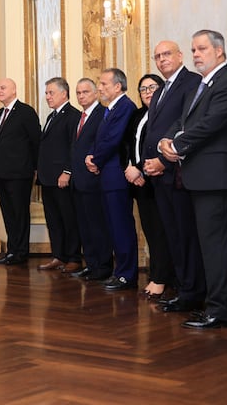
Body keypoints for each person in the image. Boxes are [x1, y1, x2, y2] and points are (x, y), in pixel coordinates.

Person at [160, 29, 227, 328]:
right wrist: (165, 140)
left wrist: (177, 146)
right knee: (209, 247)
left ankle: (222, 310)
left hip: (220, 181)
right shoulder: (201, 85)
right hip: (202, 179)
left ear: (219, 51)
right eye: (193, 50)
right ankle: (215, 304)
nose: (196, 55)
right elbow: (183, 121)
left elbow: (209, 125)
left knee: (218, 247)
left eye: (201, 49)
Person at [141, 41, 205, 312]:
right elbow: (154, 131)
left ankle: (192, 292)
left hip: (178, 173)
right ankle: (181, 287)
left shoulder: (192, 83)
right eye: (157, 56)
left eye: (167, 54)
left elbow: (187, 126)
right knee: (172, 236)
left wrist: (162, 162)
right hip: (159, 177)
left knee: (185, 236)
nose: (162, 59)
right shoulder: (160, 91)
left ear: (180, 56)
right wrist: (149, 164)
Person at [85, 68, 138, 291]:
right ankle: (120, 272)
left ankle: (126, 275)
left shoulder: (125, 107)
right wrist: (91, 155)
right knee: (113, 227)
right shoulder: (111, 109)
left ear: (118, 86)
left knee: (121, 226)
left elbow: (114, 139)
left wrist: (96, 160)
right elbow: (101, 138)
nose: (100, 87)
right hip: (107, 176)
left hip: (116, 176)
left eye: (104, 84)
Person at [122, 74, 173, 299]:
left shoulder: (165, 114)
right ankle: (156, 274)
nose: (147, 92)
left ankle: (161, 278)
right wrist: (129, 168)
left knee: (161, 232)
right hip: (138, 182)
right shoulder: (137, 115)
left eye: (152, 87)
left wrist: (141, 170)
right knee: (150, 231)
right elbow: (127, 144)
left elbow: (157, 149)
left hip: (157, 180)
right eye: (143, 89)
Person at [0, 78, 40, 265]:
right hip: (1, 174)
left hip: (20, 174)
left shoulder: (26, 112)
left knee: (20, 215)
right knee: (9, 215)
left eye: (3, 88)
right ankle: (12, 251)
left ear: (14, 90)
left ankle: (21, 253)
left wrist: (35, 168)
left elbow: (36, 141)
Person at [36, 77, 81, 273]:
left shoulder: (73, 115)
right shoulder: (51, 116)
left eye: (51, 92)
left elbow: (74, 147)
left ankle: (73, 258)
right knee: (53, 220)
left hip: (62, 179)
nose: (47, 96)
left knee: (68, 219)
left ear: (64, 93)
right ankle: (58, 256)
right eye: (46, 93)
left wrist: (67, 172)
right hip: (48, 178)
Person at [69, 78, 111, 282]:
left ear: (95, 93)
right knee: (85, 227)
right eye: (78, 93)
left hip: (94, 180)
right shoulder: (81, 116)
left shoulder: (102, 114)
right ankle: (91, 264)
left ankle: (103, 266)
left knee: (97, 226)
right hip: (79, 181)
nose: (81, 96)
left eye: (85, 92)